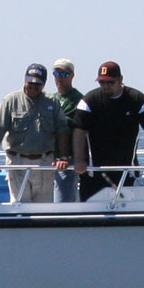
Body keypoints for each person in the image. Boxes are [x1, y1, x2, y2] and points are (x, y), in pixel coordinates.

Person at [73, 60, 144, 202]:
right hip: (94, 173)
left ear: (120, 80)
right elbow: (79, 131)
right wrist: (79, 160)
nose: (105, 86)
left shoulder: (137, 99)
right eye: (102, 83)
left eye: (110, 82)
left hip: (127, 171)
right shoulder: (89, 101)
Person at [0, 63, 71, 203]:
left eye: (38, 84)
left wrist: (63, 157)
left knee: (44, 211)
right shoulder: (10, 101)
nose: (33, 86)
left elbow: (62, 130)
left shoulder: (52, 102)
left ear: (44, 84)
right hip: (17, 162)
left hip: (45, 162)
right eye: (30, 82)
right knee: (20, 207)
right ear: (25, 80)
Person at [52, 58, 83, 203]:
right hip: (50, 158)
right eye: (56, 74)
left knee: (63, 201)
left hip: (67, 159)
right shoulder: (51, 99)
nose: (59, 78)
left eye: (64, 75)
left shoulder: (78, 100)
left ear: (72, 76)